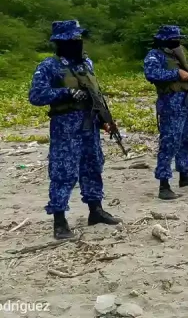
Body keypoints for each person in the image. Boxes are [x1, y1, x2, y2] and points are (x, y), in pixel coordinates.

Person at [29, 20, 122, 240]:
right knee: (64, 172)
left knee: (93, 166)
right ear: (61, 42)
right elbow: (36, 96)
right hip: (65, 129)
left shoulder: (86, 64)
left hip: (90, 125)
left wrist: (104, 119)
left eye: (79, 39)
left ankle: (95, 211)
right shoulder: (49, 66)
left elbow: (95, 95)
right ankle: (59, 221)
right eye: (72, 40)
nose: (77, 43)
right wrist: (65, 93)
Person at [144, 25, 188, 200]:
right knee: (169, 142)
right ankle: (164, 184)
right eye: (174, 38)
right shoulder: (154, 55)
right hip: (170, 104)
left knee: (187, 140)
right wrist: (176, 73)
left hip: (185, 103)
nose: (177, 41)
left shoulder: (178, 55)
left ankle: (184, 174)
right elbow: (151, 74)